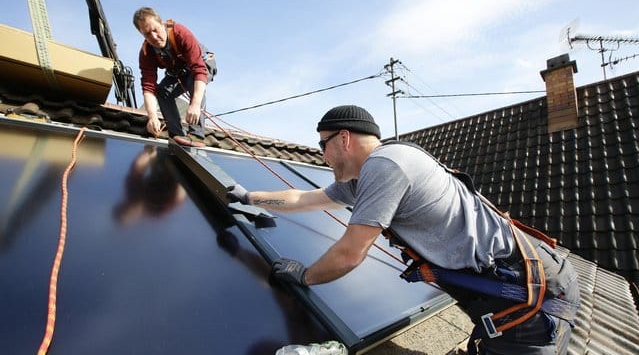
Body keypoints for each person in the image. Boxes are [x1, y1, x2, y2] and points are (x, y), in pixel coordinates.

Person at [227, 105, 581, 354]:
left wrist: (305, 276)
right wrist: (249, 196)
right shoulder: (364, 178)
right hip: (517, 283)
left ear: (344, 139)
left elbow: (350, 253)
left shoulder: (385, 167)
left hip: (527, 294)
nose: (322, 156)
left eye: (323, 144)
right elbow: (304, 198)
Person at [133, 7, 213, 147]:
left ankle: (196, 135)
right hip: (178, 72)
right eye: (147, 34)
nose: (154, 37)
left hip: (202, 65)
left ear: (161, 23)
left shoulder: (181, 33)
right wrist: (152, 117)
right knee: (162, 92)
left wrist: (195, 105)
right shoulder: (147, 52)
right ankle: (176, 134)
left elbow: (199, 70)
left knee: (193, 81)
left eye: (155, 30)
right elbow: (148, 87)